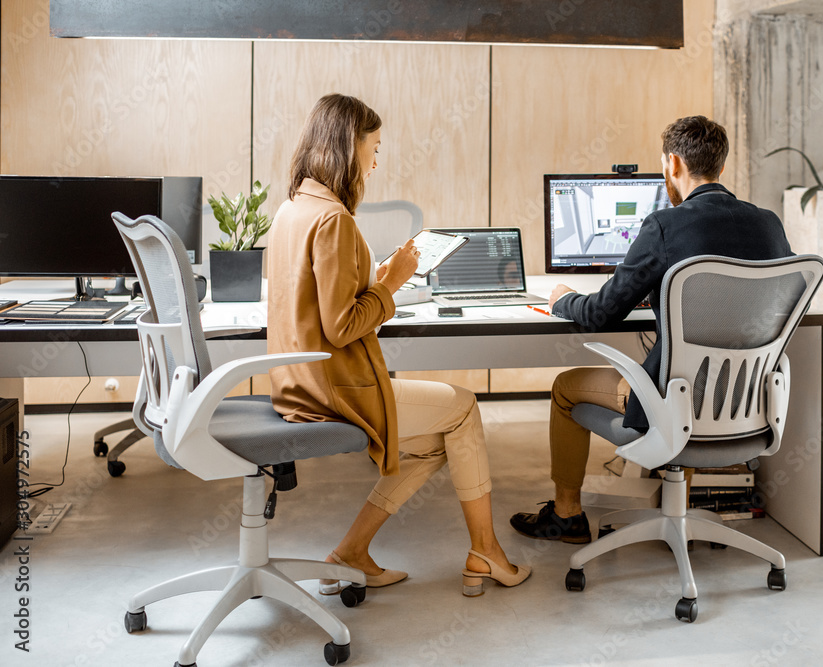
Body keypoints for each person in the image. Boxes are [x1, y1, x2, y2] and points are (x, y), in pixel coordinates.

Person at [267, 93, 529, 597]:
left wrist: (379, 281)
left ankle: (352, 553)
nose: (376, 159)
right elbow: (343, 327)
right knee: (464, 409)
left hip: (298, 385)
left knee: (433, 444)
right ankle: (486, 552)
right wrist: (391, 286)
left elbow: (322, 309)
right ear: (349, 147)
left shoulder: (293, 208)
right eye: (375, 146)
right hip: (336, 391)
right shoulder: (333, 220)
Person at [509, 115, 793, 544]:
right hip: (746, 405)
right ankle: (679, 507)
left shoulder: (666, 226)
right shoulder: (770, 224)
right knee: (688, 376)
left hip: (676, 401)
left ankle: (566, 516)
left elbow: (600, 313)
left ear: (673, 164)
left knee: (566, 386)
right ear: (720, 163)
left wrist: (560, 299)